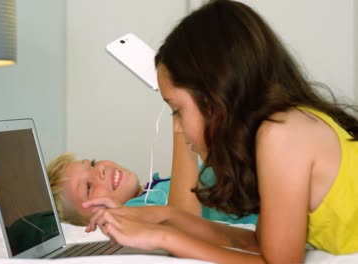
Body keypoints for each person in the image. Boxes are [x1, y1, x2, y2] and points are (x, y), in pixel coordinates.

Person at [83, 0, 358, 262]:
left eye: (177, 109)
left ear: (213, 95)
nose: (177, 127)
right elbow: (257, 243)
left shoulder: (282, 135)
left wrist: (163, 237)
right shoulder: (281, 130)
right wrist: (163, 217)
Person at [46, 152, 258, 226]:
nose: (99, 170)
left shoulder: (152, 190)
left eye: (91, 163)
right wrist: (181, 123)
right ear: (89, 221)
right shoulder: (133, 211)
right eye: (89, 187)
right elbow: (181, 217)